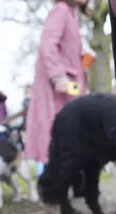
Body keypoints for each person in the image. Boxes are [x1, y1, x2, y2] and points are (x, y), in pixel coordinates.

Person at [24, 0, 88, 176]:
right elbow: (48, 45)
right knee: (55, 129)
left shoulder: (72, 14)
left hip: (70, 84)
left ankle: (66, 183)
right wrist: (58, 76)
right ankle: (52, 186)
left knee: (71, 128)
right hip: (59, 86)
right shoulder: (60, 10)